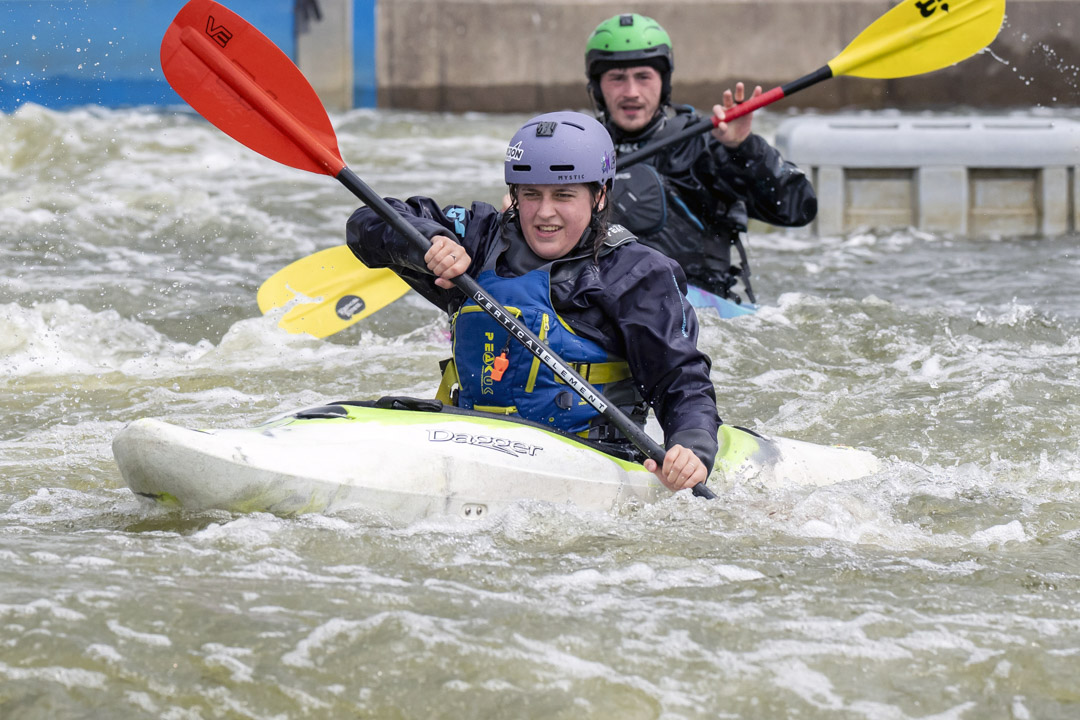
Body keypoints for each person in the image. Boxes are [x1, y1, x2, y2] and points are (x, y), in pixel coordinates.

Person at [347, 112, 720, 492]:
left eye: (563, 195)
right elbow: (367, 223)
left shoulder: (637, 275)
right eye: (531, 194)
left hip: (587, 460)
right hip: (471, 445)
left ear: (599, 195)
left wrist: (692, 445)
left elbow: (681, 379)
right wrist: (429, 241)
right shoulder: (479, 239)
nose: (544, 212)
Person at [585, 13, 818, 305]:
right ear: (597, 87)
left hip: (700, 310)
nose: (631, 92)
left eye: (643, 77)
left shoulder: (703, 146)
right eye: (617, 78)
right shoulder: (580, 151)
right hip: (606, 305)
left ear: (663, 82)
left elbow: (799, 208)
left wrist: (743, 149)